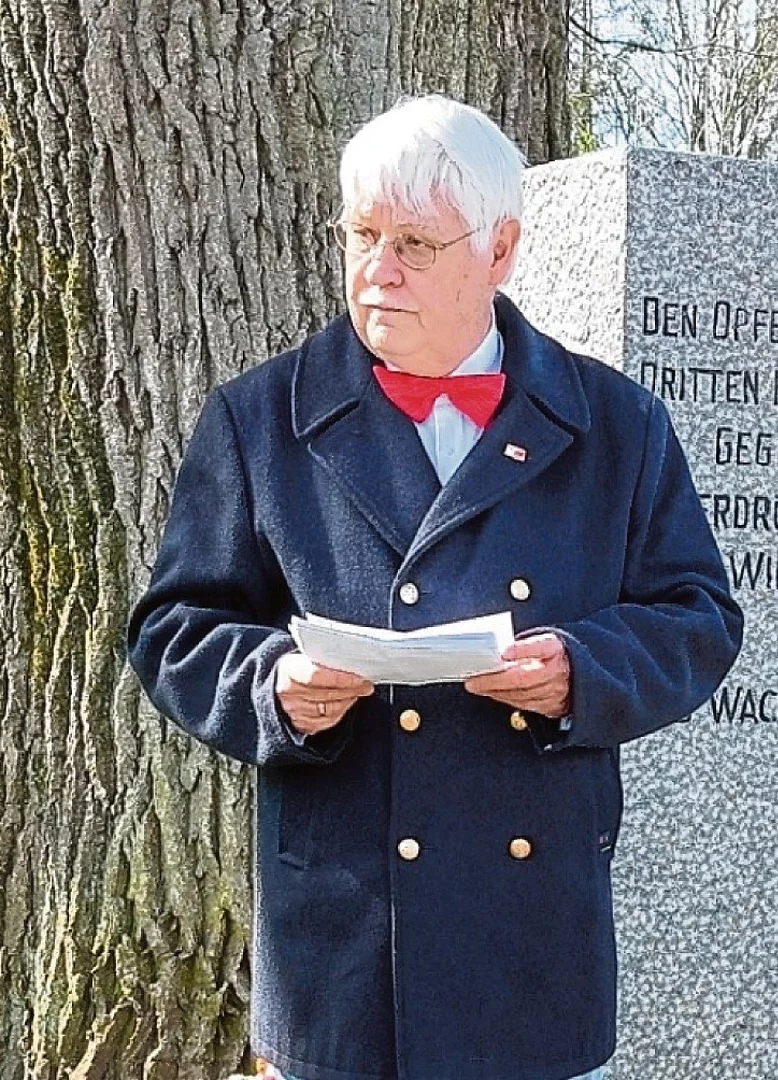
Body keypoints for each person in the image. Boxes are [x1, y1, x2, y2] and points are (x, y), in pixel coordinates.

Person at [127, 94, 744, 1080]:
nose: (379, 269)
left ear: (500, 251)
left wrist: (579, 672)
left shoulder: (616, 423)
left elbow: (697, 617)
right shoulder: (259, 418)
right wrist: (271, 686)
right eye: (362, 234)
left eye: (414, 243)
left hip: (528, 936)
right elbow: (176, 626)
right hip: (344, 938)